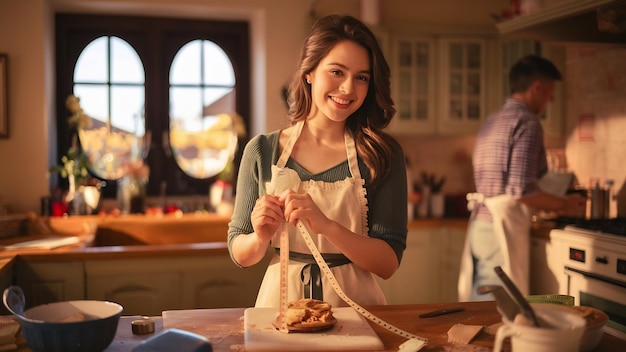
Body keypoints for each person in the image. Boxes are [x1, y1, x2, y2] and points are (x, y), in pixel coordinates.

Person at [227, 14, 408, 308]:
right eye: (337, 72)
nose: (348, 88)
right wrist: (260, 237)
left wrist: (326, 225)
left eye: (361, 77)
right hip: (280, 306)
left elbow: (388, 264)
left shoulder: (382, 155)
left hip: (357, 308)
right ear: (309, 72)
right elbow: (240, 253)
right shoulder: (261, 150)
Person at [458, 54, 586, 302]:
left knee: (482, 307)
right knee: (500, 310)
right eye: (550, 91)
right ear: (537, 87)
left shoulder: (492, 120)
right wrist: (566, 204)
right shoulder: (527, 122)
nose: (552, 98)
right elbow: (521, 191)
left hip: (480, 225)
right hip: (499, 229)